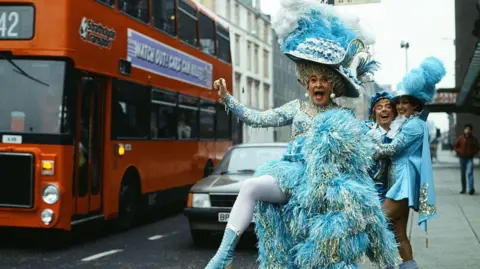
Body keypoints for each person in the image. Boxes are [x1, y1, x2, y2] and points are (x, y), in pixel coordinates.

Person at [205, 1, 398, 268]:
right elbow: (258, 118)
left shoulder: (343, 118)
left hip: (325, 189)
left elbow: (361, 155)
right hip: (291, 176)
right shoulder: (296, 108)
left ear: (333, 85)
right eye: (313, 79)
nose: (318, 84)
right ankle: (223, 256)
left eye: (324, 79)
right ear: (306, 83)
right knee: (250, 186)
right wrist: (229, 99)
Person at [373, 57, 446, 269]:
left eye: (406, 102)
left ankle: (387, 265)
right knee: (398, 233)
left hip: (402, 185)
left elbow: (392, 150)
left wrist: (368, 147)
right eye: (400, 102)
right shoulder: (410, 124)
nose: (401, 106)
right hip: (400, 183)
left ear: (416, 104)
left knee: (375, 223)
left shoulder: (414, 126)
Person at [362, 92, 395, 204]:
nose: (384, 110)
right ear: (374, 113)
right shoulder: (366, 132)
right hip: (372, 194)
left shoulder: (400, 133)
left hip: (396, 193)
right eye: (379, 107)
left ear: (393, 112)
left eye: (388, 106)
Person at [454, 124, 479, 195]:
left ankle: (471, 189)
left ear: (471, 130)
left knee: (470, 173)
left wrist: (473, 153)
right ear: (464, 130)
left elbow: (477, 147)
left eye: (468, 129)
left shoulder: (474, 139)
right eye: (466, 129)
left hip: (470, 158)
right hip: (462, 158)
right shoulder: (460, 138)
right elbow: (455, 146)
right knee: (463, 174)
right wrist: (459, 152)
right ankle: (463, 189)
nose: (467, 130)